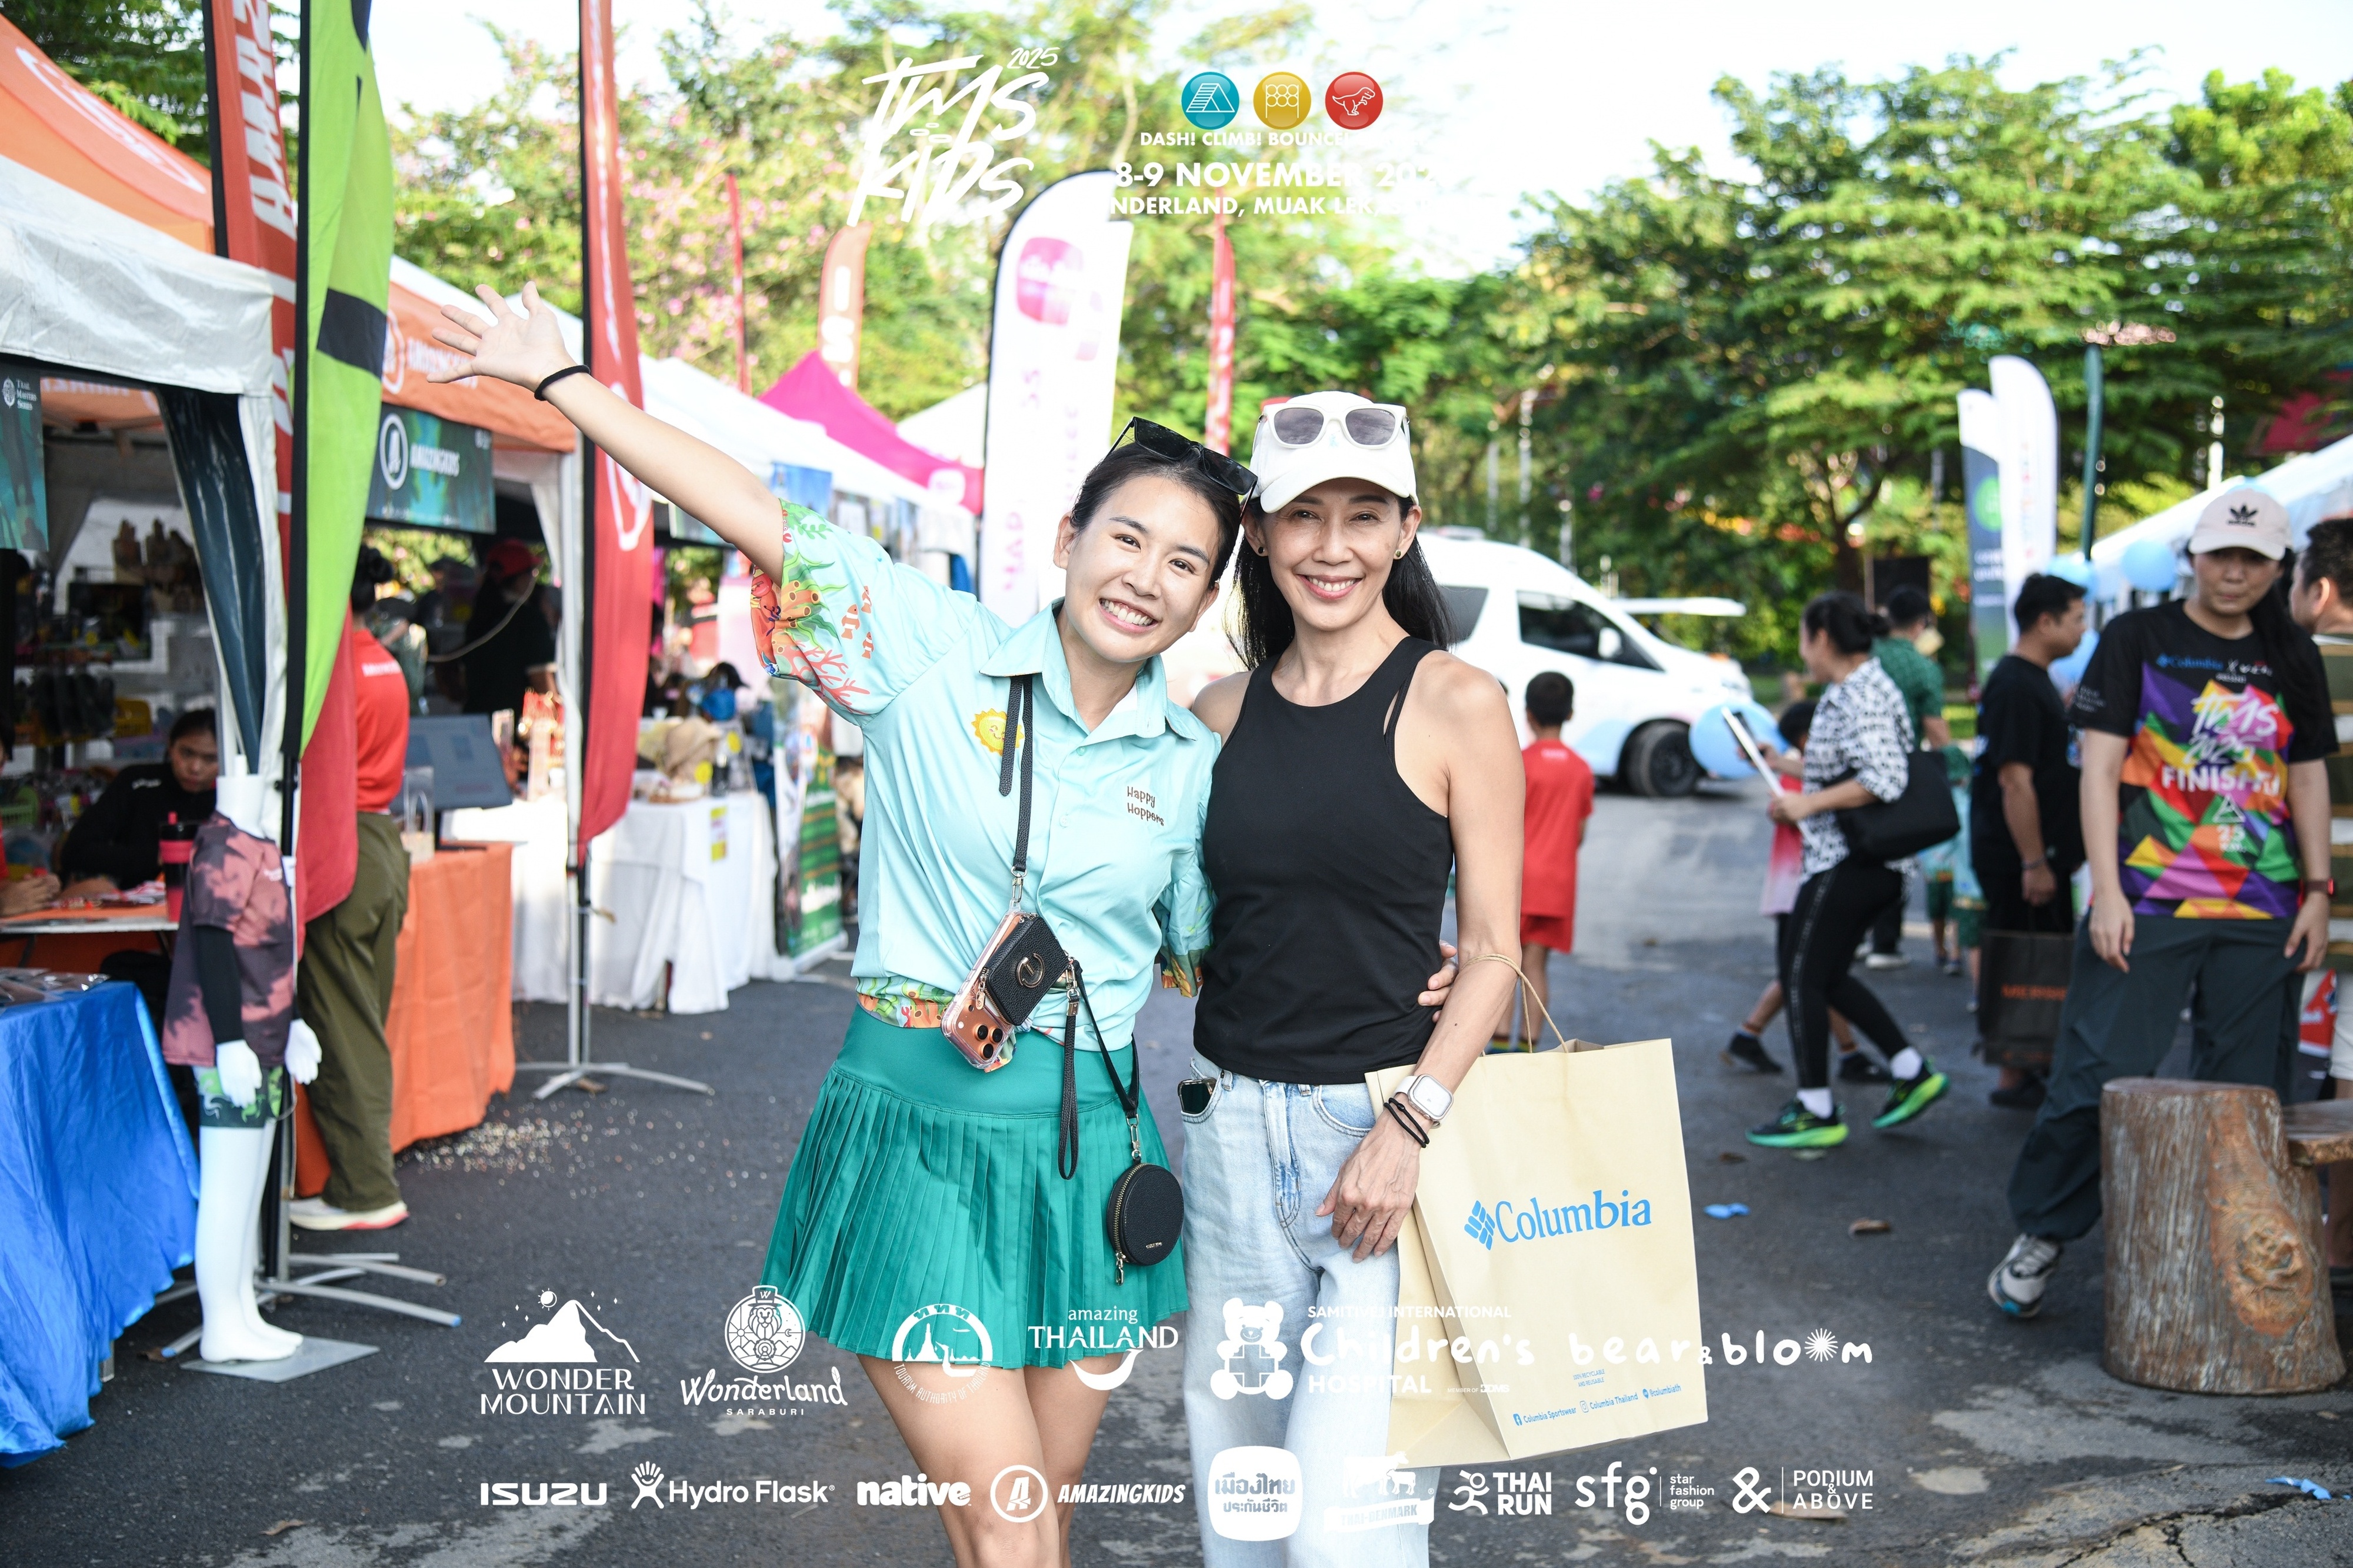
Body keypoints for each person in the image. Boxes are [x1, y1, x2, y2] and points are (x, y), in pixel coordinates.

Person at [425, 283, 1458, 1568]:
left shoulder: (1191, 757)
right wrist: (562, 381)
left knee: (1041, 1506)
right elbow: (756, 511)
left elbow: (1228, 934)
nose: (1145, 578)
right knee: (1007, 1518)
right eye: (1126, 539)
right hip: (916, 1139)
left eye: (1184, 563)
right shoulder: (925, 648)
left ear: (1205, 600)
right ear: (1069, 538)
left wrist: (1408, 964)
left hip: (1093, 1166)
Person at [1186, 389, 1522, 1566]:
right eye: (1303, 515)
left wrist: (1410, 1121)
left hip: (1379, 1142)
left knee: (1345, 1534)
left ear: (1406, 529)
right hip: (1228, 1136)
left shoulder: (1456, 701)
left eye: (1364, 515)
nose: (1332, 546)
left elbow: (1494, 947)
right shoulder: (1215, 714)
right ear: (1258, 533)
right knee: (1244, 1516)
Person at [1989, 491, 2334, 1318]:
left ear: (2278, 567)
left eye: (2253, 559)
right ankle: (2043, 1231)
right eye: (2221, 554)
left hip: (2262, 903)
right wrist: (2107, 892)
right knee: (2098, 1073)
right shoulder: (2137, 638)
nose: (2234, 572)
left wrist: (2319, 891)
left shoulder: (2292, 652)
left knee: (2245, 1096)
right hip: (2147, 898)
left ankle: (2221, 1260)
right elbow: (2100, 771)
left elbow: (2307, 774)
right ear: (2194, 555)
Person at [1748, 592, 1949, 1149]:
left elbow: (1883, 777)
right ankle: (1910, 1069)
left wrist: (1806, 805)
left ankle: (1816, 1106)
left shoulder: (1859, 692)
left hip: (1849, 862)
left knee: (1800, 976)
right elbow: (1842, 768)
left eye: (1802, 638)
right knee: (1828, 977)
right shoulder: (1859, 688)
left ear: (1822, 638)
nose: (1801, 652)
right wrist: (1778, 763)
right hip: (1864, 864)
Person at [287, 564, 416, 1232]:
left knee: (342, 1024)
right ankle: (364, 1179)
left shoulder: (335, 670)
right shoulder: (385, 663)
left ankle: (365, 1187)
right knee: (359, 1018)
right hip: (380, 840)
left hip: (343, 842)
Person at [1971, 574, 2088, 1110]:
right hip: (2021, 858)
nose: (2083, 630)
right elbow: (2015, 780)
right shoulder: (2017, 685)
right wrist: (2034, 861)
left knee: (2039, 957)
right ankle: (2014, 1072)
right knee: (2023, 958)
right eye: (2077, 618)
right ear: (2046, 622)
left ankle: (2028, 1063)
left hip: (2039, 855)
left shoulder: (2033, 680)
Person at [2283, 514, 2353, 1292]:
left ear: (2322, 588)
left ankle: (2272, 1246)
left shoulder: (2291, 666)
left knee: (2267, 1077)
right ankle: (2340, 1253)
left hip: (2297, 901)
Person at [1498, 670, 1592, 1048]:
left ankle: (1499, 1046)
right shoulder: (1581, 768)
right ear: (1570, 714)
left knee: (1504, 963)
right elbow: (1580, 834)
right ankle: (1530, 1046)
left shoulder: (1519, 762)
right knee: (1536, 964)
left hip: (1518, 881)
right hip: (1558, 884)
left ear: (1528, 715)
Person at [1862, 585, 1953, 970]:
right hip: (1899, 772)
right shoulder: (1923, 668)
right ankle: (1885, 944)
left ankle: (1854, 935)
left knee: (1857, 851)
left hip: (1855, 767)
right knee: (1895, 856)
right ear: (1921, 624)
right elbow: (1936, 730)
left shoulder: (1864, 654)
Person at [56, 707, 219, 896]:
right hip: (131, 905)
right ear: (171, 746)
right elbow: (75, 851)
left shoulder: (231, 798)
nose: (195, 768)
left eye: (210, 758)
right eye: (187, 753)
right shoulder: (136, 783)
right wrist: (157, 857)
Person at [459, 538, 557, 720]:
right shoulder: (530, 620)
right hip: (513, 726)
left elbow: (464, 680)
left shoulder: (478, 619)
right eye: (532, 573)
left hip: (475, 721)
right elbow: (543, 683)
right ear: (521, 579)